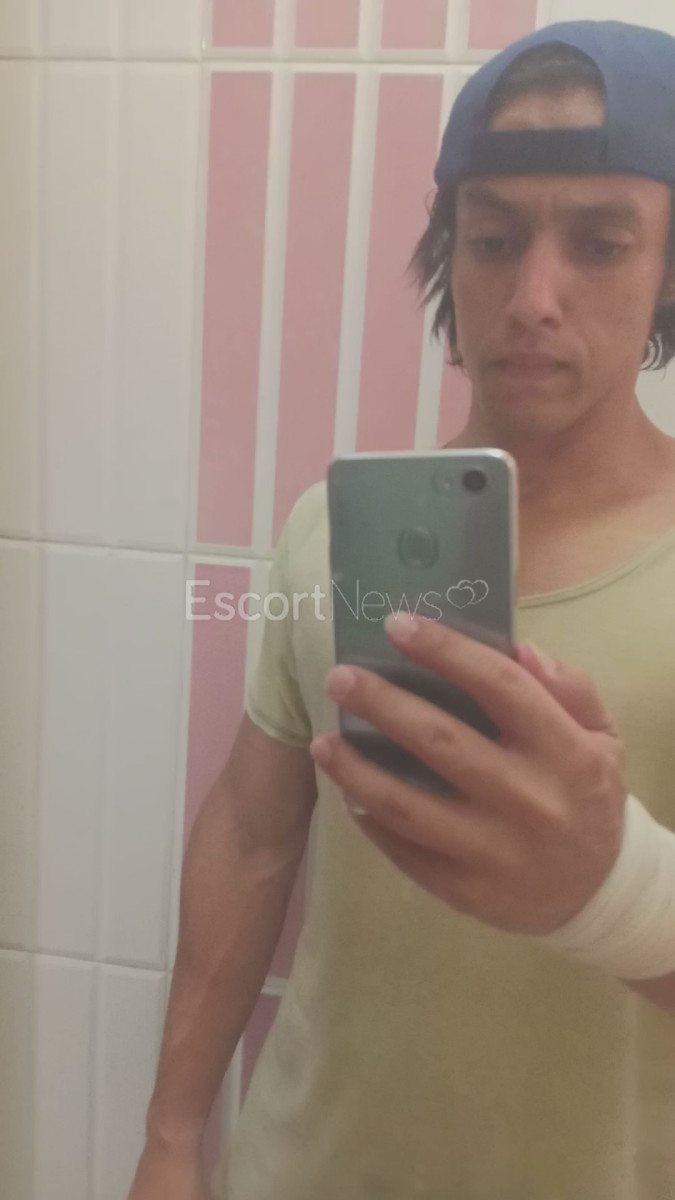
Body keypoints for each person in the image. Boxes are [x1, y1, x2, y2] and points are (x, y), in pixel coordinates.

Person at [129, 20, 675, 1200]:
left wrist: (615, 890)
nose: (533, 297)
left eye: (599, 243)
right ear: (449, 252)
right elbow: (253, 833)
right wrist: (172, 1134)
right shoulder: (333, 531)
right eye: (494, 239)